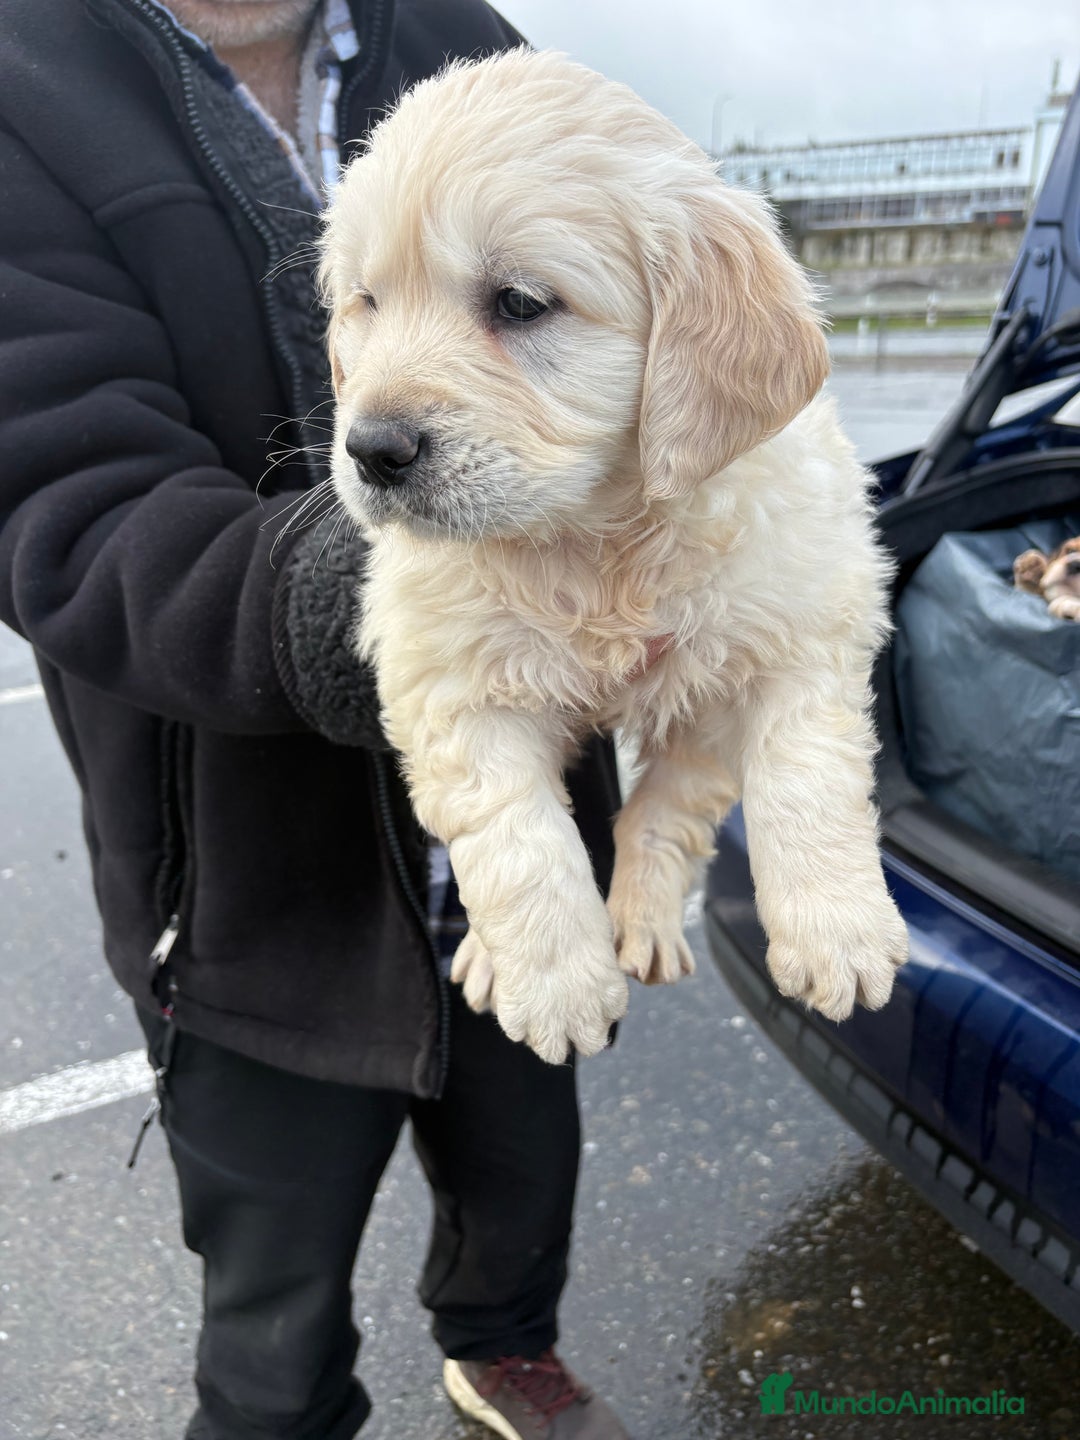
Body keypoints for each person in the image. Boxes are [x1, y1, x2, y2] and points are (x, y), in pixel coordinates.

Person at [0, 2, 631, 1436]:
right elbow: (66, 504)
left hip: (521, 831)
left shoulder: (472, 41)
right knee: (271, 1299)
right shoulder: (23, 83)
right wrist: (404, 617)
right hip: (240, 875)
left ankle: (502, 1339)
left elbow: (636, 339)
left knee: (523, 1151)